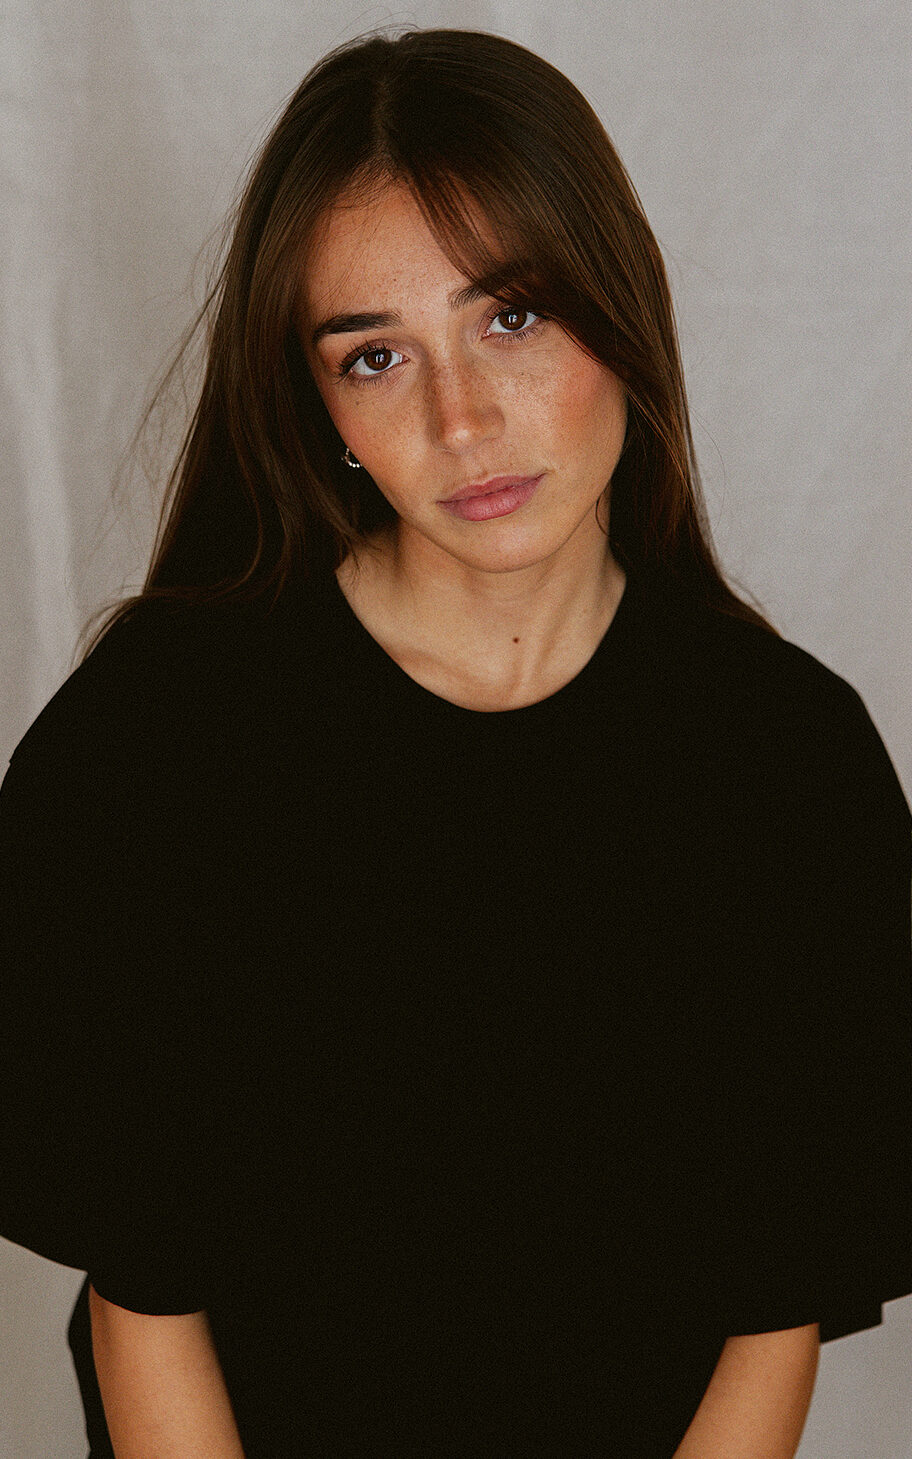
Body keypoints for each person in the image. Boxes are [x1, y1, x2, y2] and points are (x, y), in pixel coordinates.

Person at [1, 26, 910, 1459]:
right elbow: (145, 1291)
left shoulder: (787, 768)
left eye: (513, 318)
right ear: (319, 405)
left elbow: (772, 1307)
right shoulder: (162, 741)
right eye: (376, 356)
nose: (463, 419)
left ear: (621, 310)